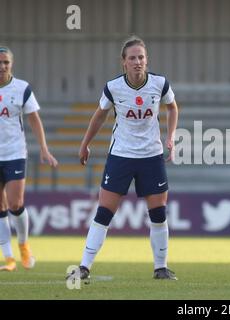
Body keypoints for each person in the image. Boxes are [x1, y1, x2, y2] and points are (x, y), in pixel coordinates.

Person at [66, 36, 179, 282]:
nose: (137, 62)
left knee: (158, 213)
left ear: (146, 60)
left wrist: (170, 137)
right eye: (132, 58)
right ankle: (84, 266)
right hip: (121, 155)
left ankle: (161, 267)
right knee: (104, 212)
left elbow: (173, 107)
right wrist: (85, 144)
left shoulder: (159, 84)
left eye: (141, 57)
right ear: (123, 63)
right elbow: (99, 116)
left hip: (151, 156)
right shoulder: (113, 87)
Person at [0, 46, 58, 271]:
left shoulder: (21, 88)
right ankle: (8, 258)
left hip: (14, 153)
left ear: (11, 64)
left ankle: (23, 245)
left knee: (16, 203)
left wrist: (44, 149)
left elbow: (34, 119)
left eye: (6, 62)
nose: (2, 66)